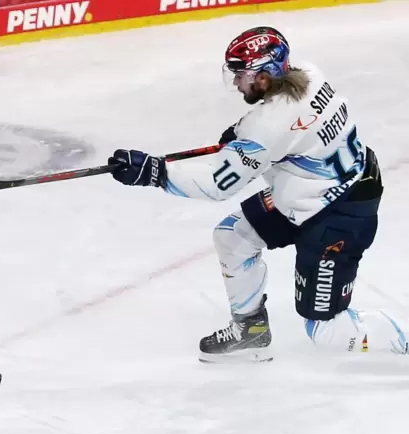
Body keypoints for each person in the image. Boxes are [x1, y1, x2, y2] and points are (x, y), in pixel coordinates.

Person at [108, 26, 405, 362]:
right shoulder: (308, 74)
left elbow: (218, 185)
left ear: (264, 76)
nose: (236, 83)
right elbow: (291, 125)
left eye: (242, 75)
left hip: (339, 213)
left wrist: (155, 172)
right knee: (233, 237)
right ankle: (251, 328)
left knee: (328, 332)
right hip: (322, 192)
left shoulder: (265, 128)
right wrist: (240, 133)